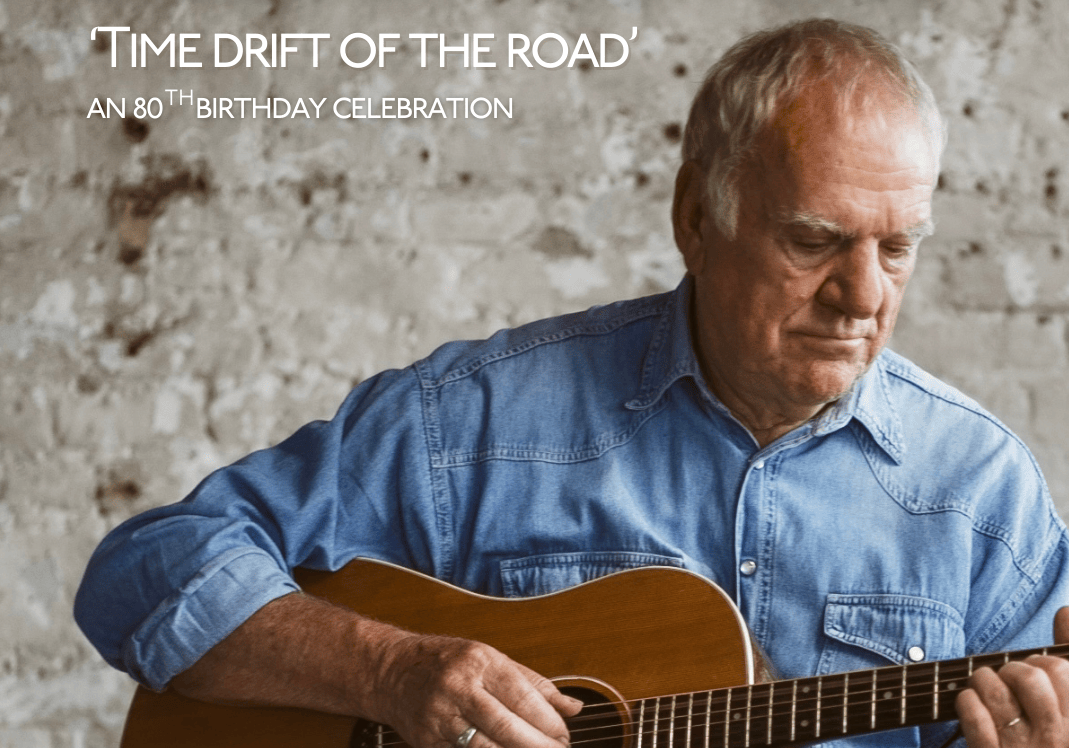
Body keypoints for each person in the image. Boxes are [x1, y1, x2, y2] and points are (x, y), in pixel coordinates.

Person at [75, 18, 1069, 748]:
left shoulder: (982, 499)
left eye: (897, 247)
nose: (861, 293)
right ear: (696, 217)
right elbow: (145, 569)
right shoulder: (483, 417)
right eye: (813, 239)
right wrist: (393, 670)